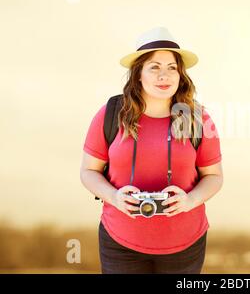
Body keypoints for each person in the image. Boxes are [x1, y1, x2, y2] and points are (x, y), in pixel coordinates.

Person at [80, 27, 223, 274]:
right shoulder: (111, 114)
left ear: (181, 75)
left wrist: (190, 200)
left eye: (172, 68)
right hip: (120, 243)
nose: (164, 76)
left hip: (185, 246)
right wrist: (114, 197)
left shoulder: (198, 118)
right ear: (138, 74)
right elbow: (88, 171)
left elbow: (214, 176)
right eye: (154, 67)